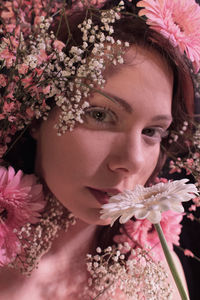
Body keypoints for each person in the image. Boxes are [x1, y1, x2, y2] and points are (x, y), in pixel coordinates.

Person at [0, 0, 199, 299]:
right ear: (38, 114)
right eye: (100, 115)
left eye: (151, 131)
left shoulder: (156, 276)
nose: (132, 161)